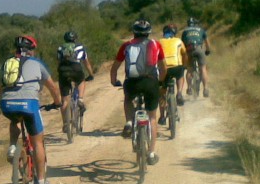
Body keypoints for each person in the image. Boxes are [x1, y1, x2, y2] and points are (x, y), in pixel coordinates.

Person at [0, 35, 62, 184]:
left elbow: (0, 88)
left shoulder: (7, 63)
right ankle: (40, 182)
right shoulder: (37, 64)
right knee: (37, 143)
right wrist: (57, 102)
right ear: (31, 50)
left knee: (14, 120)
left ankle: (12, 146)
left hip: (7, 104)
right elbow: (52, 87)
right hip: (29, 104)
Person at [109, 19, 167, 165]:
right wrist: (160, 82)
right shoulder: (156, 44)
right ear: (149, 32)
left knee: (128, 99)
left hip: (132, 83)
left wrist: (114, 80)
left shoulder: (126, 45)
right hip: (150, 82)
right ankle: (151, 153)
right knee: (152, 117)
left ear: (134, 32)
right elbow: (163, 68)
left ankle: (129, 122)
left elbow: (115, 67)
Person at [56, 30, 95, 133]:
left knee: (65, 101)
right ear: (75, 39)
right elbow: (86, 63)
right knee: (81, 80)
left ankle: (65, 124)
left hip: (63, 71)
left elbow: (58, 62)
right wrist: (91, 74)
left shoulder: (60, 48)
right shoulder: (80, 47)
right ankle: (80, 99)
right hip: (76, 69)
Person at [157, 24, 187, 125]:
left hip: (164, 69)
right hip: (176, 66)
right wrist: (184, 65)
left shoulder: (159, 42)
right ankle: (179, 92)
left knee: (161, 92)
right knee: (180, 75)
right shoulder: (178, 41)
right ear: (174, 33)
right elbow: (184, 53)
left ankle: (162, 117)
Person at [181, 17, 212, 97]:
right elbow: (207, 42)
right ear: (195, 24)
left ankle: (189, 88)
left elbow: (182, 44)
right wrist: (208, 50)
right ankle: (205, 89)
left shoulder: (185, 31)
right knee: (203, 69)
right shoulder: (201, 30)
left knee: (189, 70)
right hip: (198, 49)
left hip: (189, 50)